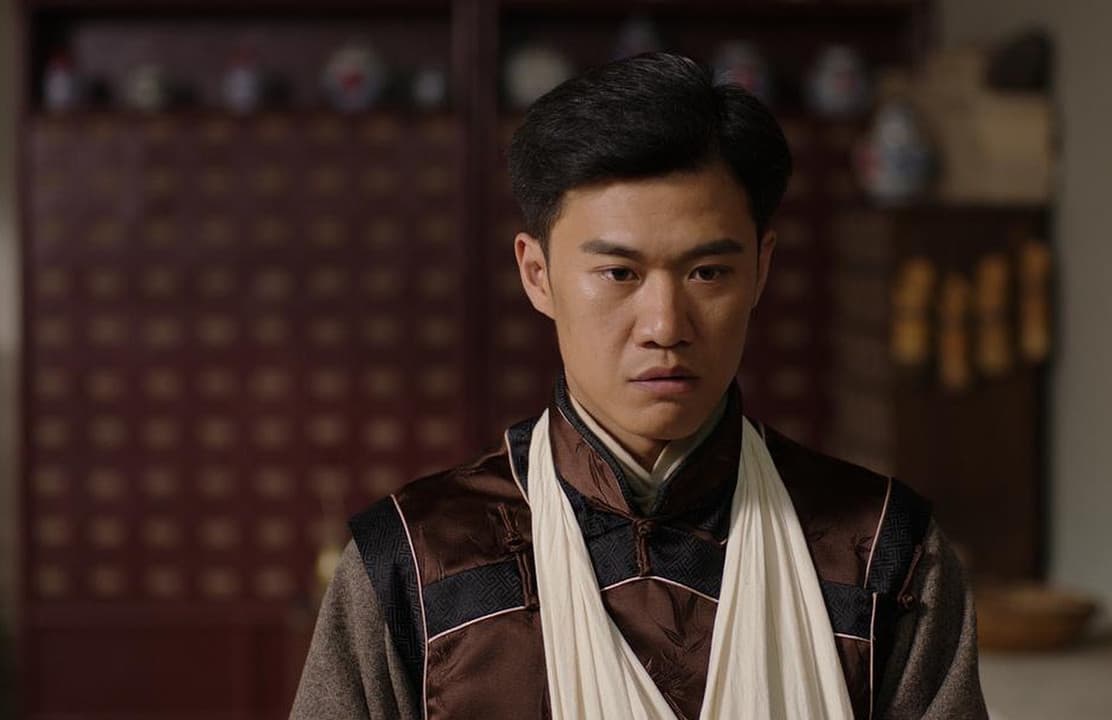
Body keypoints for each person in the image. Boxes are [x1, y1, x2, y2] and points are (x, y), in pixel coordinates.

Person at [290, 52, 987, 720]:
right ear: (538, 275)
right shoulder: (415, 562)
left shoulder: (884, 555)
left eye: (708, 273)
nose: (664, 326)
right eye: (619, 273)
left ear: (761, 270)